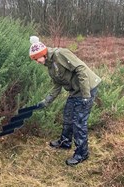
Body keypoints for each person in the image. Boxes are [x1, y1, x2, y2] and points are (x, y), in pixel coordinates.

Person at [29, 36, 101, 166]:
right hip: (75, 90)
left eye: (36, 58)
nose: (36, 62)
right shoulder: (50, 66)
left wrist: (86, 96)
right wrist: (46, 101)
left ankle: (82, 154)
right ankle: (65, 142)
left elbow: (81, 69)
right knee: (67, 115)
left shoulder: (60, 54)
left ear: (42, 54)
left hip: (87, 88)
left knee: (79, 122)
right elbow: (57, 86)